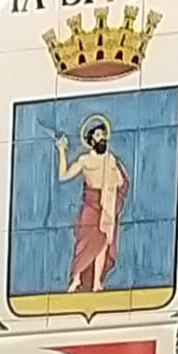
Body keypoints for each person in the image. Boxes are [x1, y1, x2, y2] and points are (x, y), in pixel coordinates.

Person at [55, 115, 128, 294]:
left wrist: (113, 187)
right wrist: (62, 151)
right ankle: (76, 278)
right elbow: (63, 175)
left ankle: (96, 282)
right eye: (97, 135)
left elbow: (121, 181)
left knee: (102, 244)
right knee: (84, 243)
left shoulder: (111, 160)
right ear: (91, 140)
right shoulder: (85, 160)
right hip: (90, 205)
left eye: (103, 135)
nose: (102, 138)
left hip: (107, 206)